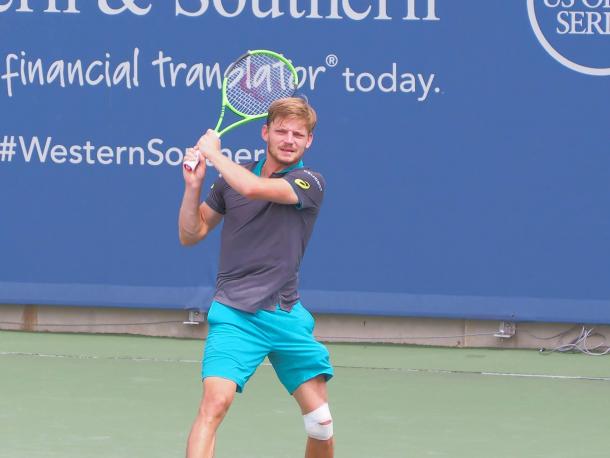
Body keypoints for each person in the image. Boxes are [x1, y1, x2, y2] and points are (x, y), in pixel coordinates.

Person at [178, 97, 334, 458]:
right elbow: (191, 233)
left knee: (321, 423)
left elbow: (253, 188)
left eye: (299, 134)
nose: (289, 139)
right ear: (266, 132)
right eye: (282, 131)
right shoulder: (231, 182)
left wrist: (214, 155)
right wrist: (193, 186)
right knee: (214, 405)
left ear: (309, 141)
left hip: (286, 315)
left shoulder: (310, 182)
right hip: (235, 314)